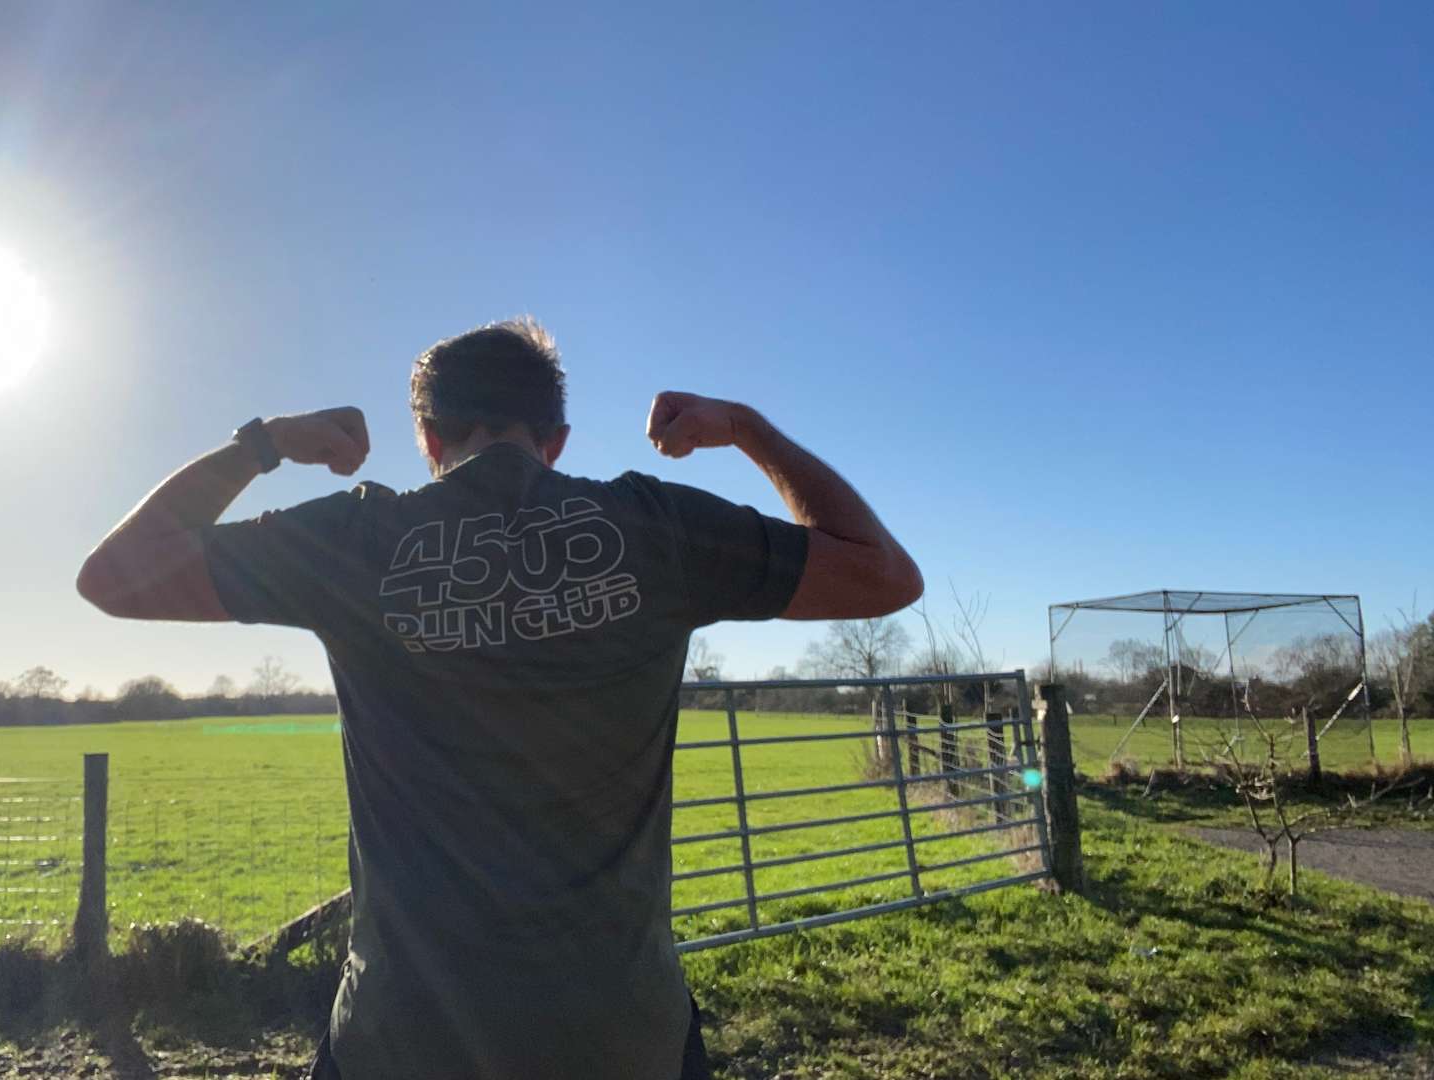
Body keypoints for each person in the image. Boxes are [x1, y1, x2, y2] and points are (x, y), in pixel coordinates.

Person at [76, 318, 922, 1080]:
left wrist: (266, 444)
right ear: (555, 440)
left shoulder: (354, 540)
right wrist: (747, 430)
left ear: (428, 436)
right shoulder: (658, 530)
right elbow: (883, 574)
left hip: (398, 1042)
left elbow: (114, 575)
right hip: (621, 1041)